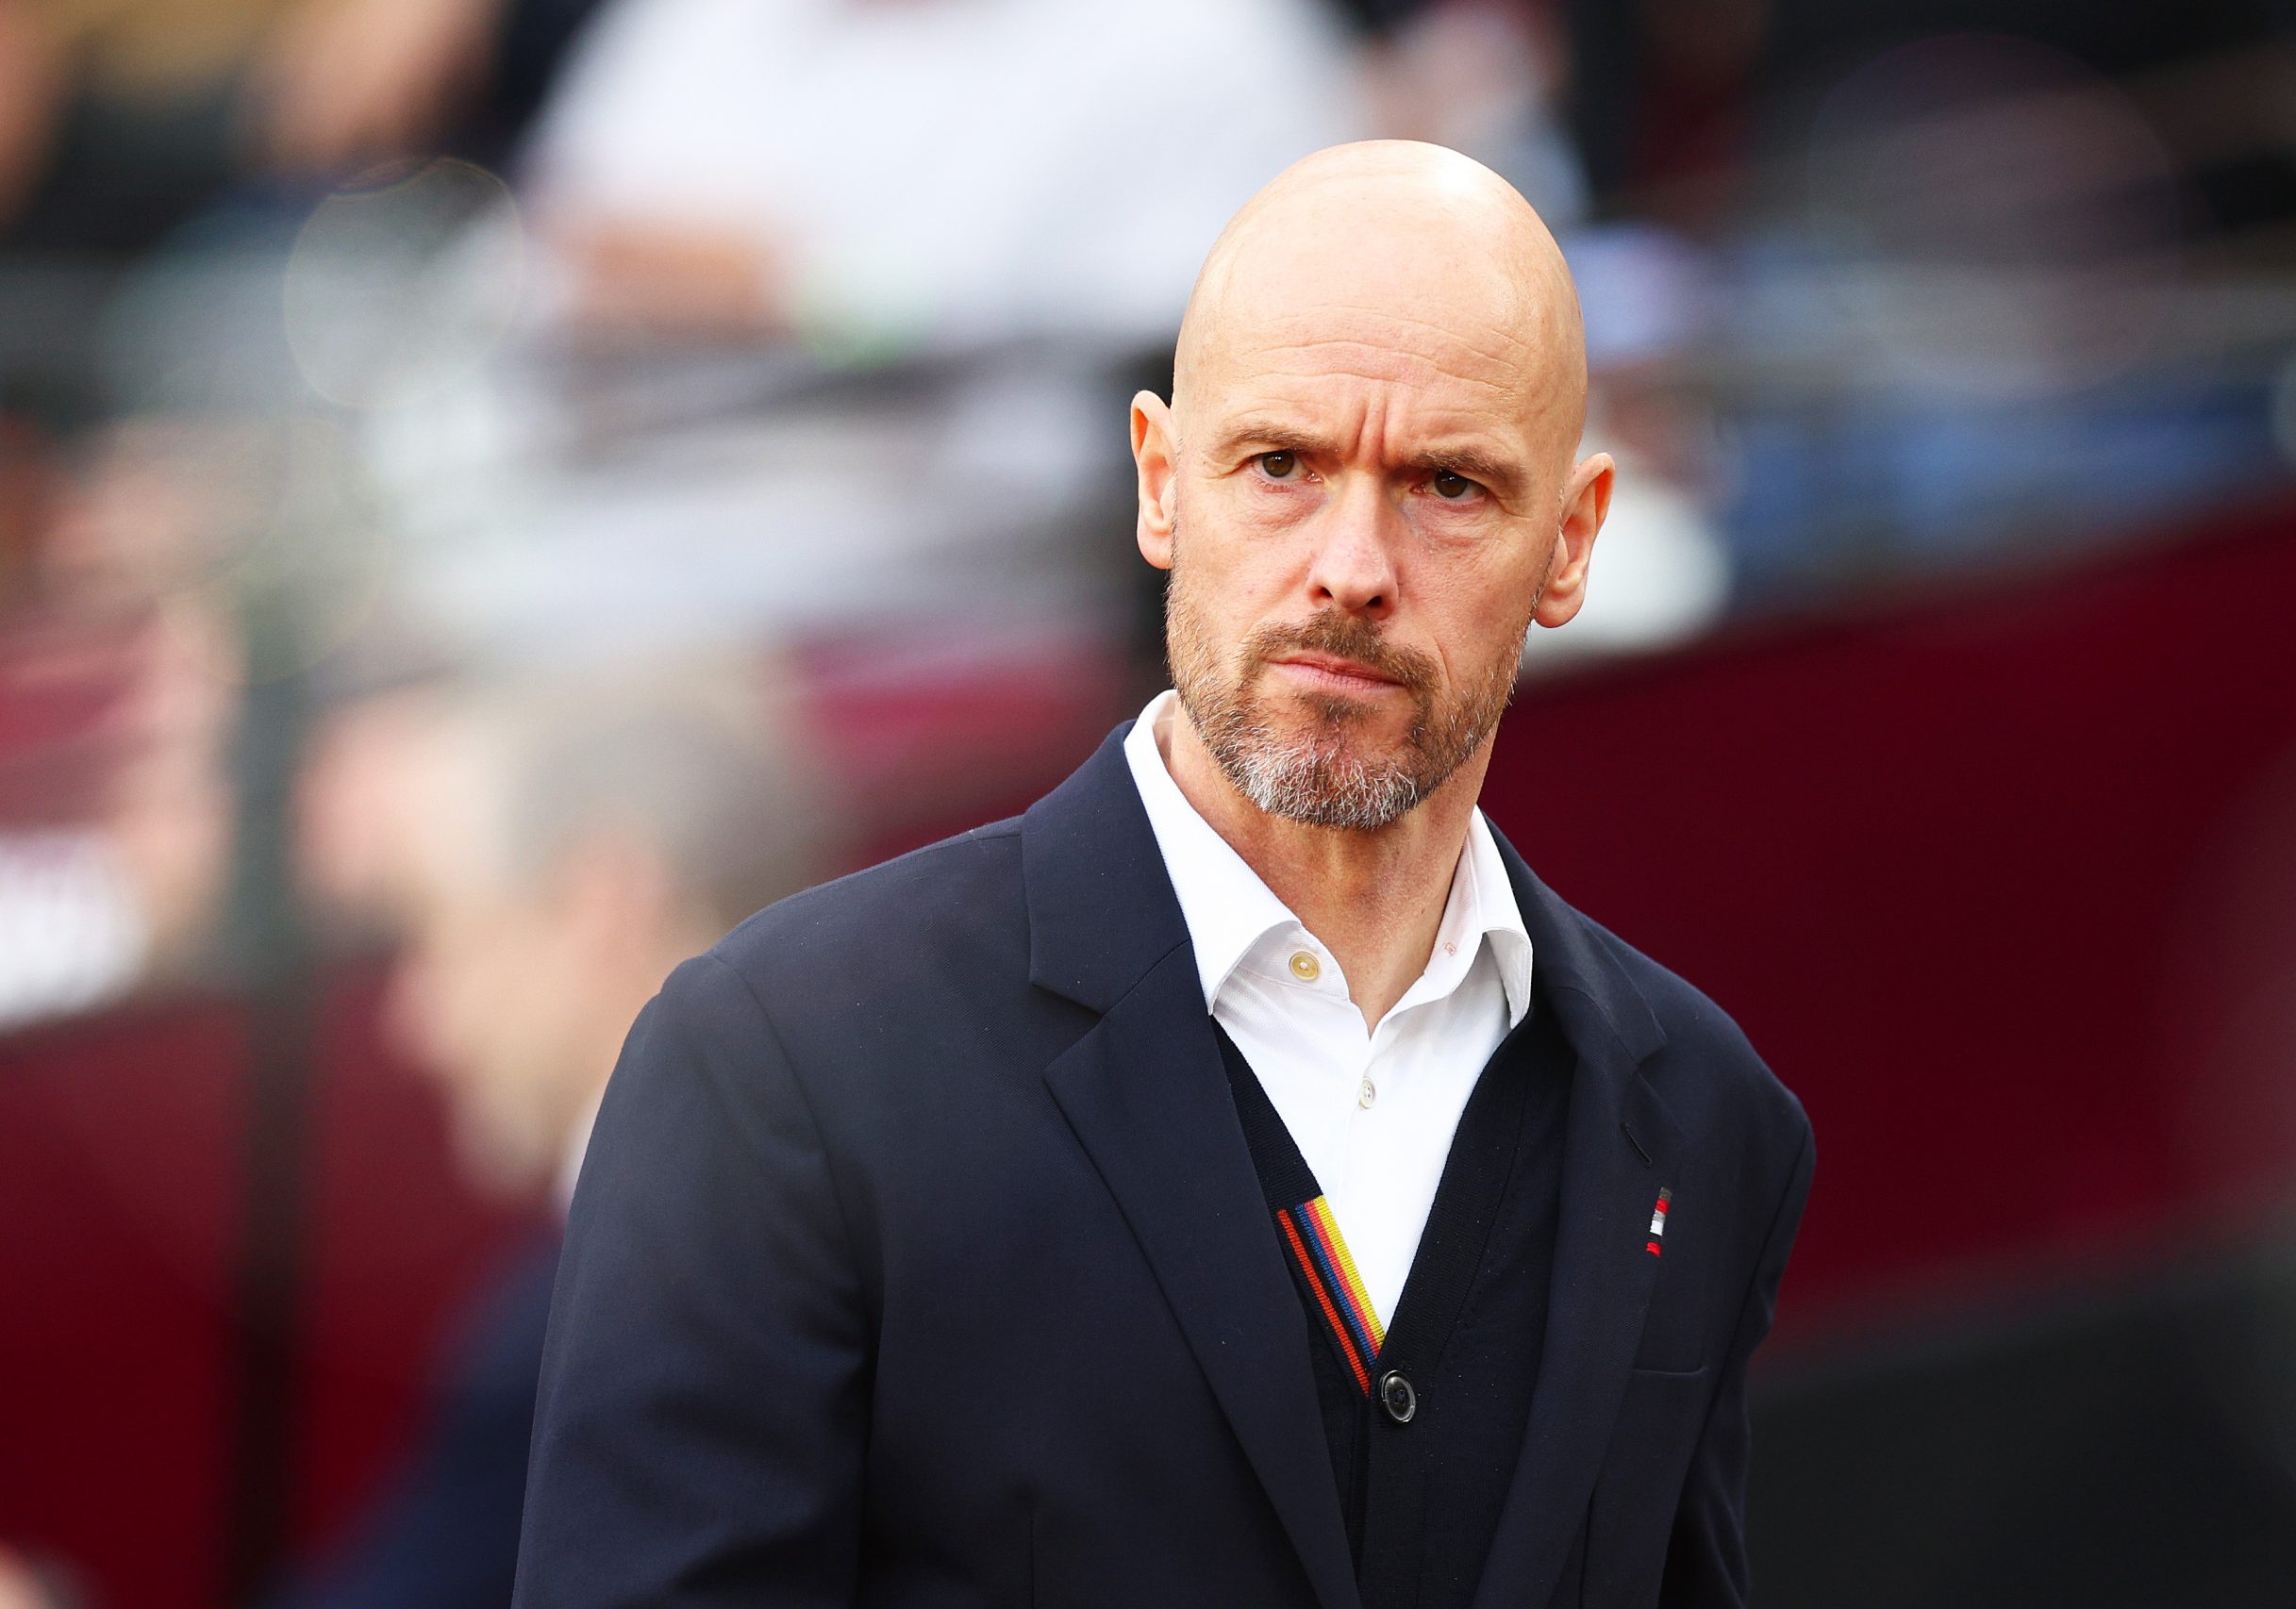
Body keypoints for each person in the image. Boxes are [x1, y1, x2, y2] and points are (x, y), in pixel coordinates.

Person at [517, 142, 1815, 1609]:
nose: (1350, 564)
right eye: (1281, 464)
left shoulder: (1702, 1118)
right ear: (1158, 484)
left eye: (1447, 484)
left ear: (1570, 542)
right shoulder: (784, 1063)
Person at [280, 666, 812, 1609]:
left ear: (600, 903)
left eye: (433, 930)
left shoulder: (594, 1323)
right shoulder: (893, 1214)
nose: (413, 1021)